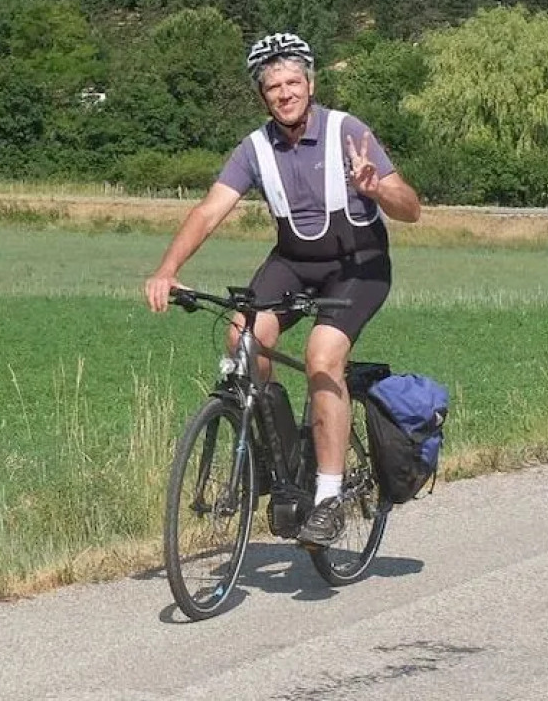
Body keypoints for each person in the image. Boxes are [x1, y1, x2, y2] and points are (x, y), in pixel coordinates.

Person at [144, 32, 421, 545]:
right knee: (240, 338)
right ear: (262, 95)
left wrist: (377, 187)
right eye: (274, 87)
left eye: (294, 82)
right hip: (294, 261)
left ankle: (329, 496)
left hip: (357, 264)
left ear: (311, 84)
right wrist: (167, 268)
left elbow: (412, 208)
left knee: (321, 356)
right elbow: (208, 211)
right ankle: (283, 459)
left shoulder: (347, 131)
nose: (285, 93)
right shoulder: (254, 149)